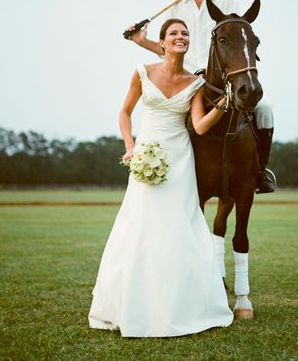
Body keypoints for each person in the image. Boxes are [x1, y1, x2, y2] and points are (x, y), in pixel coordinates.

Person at [89, 19, 233, 337]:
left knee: (179, 226)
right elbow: (125, 112)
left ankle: (182, 304)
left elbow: (198, 126)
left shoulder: (193, 83)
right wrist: (130, 147)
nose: (180, 37)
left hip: (179, 160)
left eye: (184, 34)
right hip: (145, 153)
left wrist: (223, 105)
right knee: (140, 225)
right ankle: (133, 304)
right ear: (163, 42)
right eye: (173, 34)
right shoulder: (143, 71)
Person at [128, 0, 276, 194]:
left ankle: (261, 172)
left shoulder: (227, 0)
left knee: (266, 108)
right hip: (186, 82)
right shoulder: (174, 7)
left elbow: (237, 38)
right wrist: (141, 41)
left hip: (220, 80)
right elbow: (168, 48)